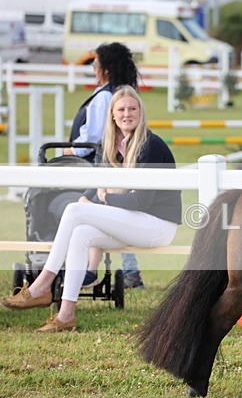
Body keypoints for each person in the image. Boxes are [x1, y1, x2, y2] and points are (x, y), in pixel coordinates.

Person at [1, 86, 182, 332]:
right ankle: (66, 316)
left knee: (75, 212)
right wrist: (90, 198)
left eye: (133, 108)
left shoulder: (150, 145)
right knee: (80, 234)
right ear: (113, 115)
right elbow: (99, 187)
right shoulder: (114, 146)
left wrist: (103, 199)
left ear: (140, 113)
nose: (127, 113)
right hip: (134, 221)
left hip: (156, 225)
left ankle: (42, 285)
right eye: (121, 109)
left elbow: (141, 201)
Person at [65, 42, 146, 290]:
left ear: (106, 69)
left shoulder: (104, 97)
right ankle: (131, 271)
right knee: (115, 214)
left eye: (96, 64)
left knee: (95, 209)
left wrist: (69, 150)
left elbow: (93, 138)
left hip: (96, 165)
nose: (93, 68)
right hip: (113, 164)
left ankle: (87, 267)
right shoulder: (126, 94)